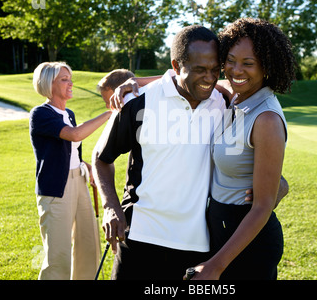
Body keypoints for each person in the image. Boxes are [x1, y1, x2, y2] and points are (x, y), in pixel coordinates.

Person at [92, 25, 289, 280]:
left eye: (214, 70)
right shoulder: (138, 102)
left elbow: (258, 156)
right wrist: (110, 206)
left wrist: (280, 184)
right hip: (139, 236)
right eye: (199, 70)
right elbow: (101, 157)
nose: (209, 78)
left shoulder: (226, 102)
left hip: (199, 246)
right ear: (176, 66)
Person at [188, 18, 296, 280]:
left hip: (248, 244)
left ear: (266, 66)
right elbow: (186, 75)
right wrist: (132, 81)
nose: (236, 70)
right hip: (220, 230)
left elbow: (262, 207)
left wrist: (216, 265)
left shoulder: (266, 118)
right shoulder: (237, 97)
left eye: (248, 63)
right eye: (231, 60)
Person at [29, 62, 112, 280]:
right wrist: (109, 113)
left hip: (79, 182)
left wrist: (86, 166)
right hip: (56, 189)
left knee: (88, 244)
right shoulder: (41, 114)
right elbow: (75, 135)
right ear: (49, 84)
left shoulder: (70, 113)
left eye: (70, 78)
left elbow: (70, 151)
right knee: (59, 255)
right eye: (64, 79)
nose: (70, 83)